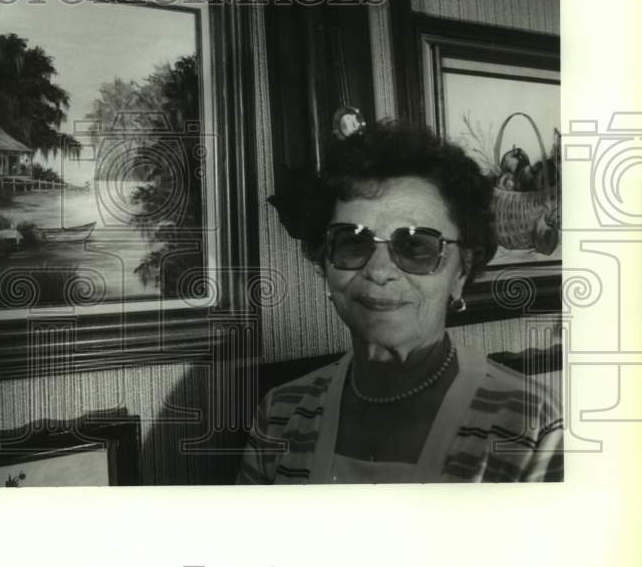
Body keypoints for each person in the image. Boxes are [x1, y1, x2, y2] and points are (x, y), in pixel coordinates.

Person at [239, 120, 562, 483]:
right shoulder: (280, 414)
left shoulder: (531, 427)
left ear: (461, 271)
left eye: (415, 245)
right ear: (325, 262)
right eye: (352, 241)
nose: (379, 271)